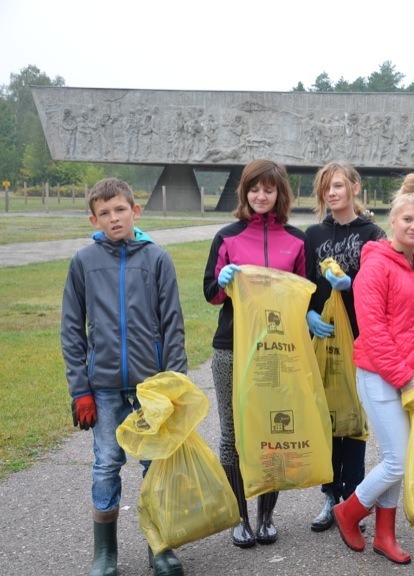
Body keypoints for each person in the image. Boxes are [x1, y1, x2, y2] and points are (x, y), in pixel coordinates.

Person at [61, 177, 187, 576]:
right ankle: (105, 554)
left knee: (154, 464)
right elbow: (70, 329)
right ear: (93, 218)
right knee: (106, 463)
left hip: (150, 387)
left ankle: (159, 546)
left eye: (120, 210)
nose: (113, 219)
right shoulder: (83, 262)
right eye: (104, 213)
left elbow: (172, 326)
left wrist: (175, 387)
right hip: (103, 388)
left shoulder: (157, 259)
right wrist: (80, 389)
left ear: (135, 211)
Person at [332, 172, 414, 566]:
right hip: (379, 375)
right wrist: (406, 379)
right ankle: (349, 512)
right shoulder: (376, 266)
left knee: (399, 457)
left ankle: (384, 535)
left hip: (409, 379)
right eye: (407, 220)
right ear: (392, 222)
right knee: (397, 458)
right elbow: (374, 332)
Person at [202, 159, 306, 549]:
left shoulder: (297, 240)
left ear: (280, 193)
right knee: (232, 435)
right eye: (253, 189)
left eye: (269, 189)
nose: (261, 196)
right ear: (244, 192)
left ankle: (266, 517)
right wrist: (222, 281)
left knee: (273, 435)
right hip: (231, 349)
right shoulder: (227, 237)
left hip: (278, 350)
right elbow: (210, 294)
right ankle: (239, 517)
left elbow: (303, 294)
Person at [304, 162, 385, 533]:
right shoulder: (313, 234)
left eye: (338, 186)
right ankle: (329, 495)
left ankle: (353, 498)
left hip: (359, 339)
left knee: (353, 421)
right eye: (325, 188)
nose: (332, 193)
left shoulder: (373, 234)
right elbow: (304, 282)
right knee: (326, 418)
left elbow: (383, 285)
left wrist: (354, 285)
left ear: (354, 187)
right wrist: (307, 314)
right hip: (322, 340)